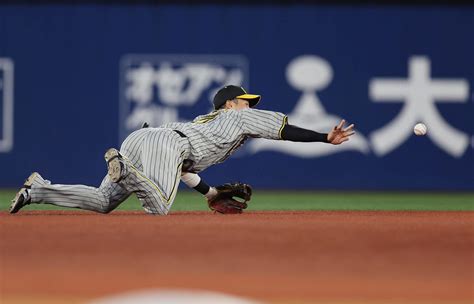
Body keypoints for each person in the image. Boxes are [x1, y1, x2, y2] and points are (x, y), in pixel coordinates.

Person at [9, 85, 355, 215]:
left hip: (144, 140)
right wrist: (325, 138)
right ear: (230, 104)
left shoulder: (207, 126)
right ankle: (125, 169)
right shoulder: (237, 119)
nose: (249, 106)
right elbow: (283, 130)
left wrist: (211, 192)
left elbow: (184, 170)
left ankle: (37, 189)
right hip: (167, 143)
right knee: (159, 207)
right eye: (245, 102)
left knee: (103, 202)